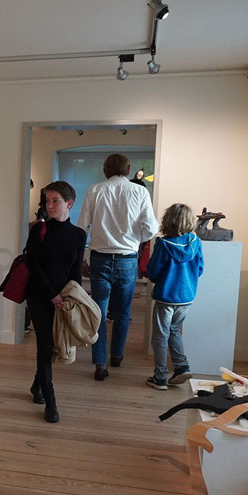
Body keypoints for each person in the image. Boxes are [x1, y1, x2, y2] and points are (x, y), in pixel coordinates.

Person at [77, 153, 158, 381]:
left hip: (99, 259)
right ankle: (117, 356)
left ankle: (100, 363)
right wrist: (136, 239)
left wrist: (81, 257)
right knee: (123, 312)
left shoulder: (95, 190)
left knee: (99, 313)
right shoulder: (140, 191)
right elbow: (151, 229)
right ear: (129, 170)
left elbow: (82, 226)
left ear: (105, 171)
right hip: (127, 259)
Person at [25, 181, 87, 423]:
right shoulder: (38, 230)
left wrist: (74, 298)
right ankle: (50, 401)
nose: (49, 206)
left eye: (55, 201)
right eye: (47, 201)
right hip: (39, 295)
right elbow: (33, 265)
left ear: (69, 203)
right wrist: (52, 295)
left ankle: (37, 384)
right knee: (44, 345)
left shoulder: (78, 235)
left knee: (52, 345)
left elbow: (75, 272)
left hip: (63, 299)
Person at [145, 203, 204, 390]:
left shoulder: (163, 244)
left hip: (166, 296)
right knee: (174, 330)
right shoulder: (195, 241)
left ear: (168, 220)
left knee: (160, 336)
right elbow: (200, 269)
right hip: (186, 297)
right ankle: (181, 367)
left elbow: (153, 272)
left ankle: (160, 376)